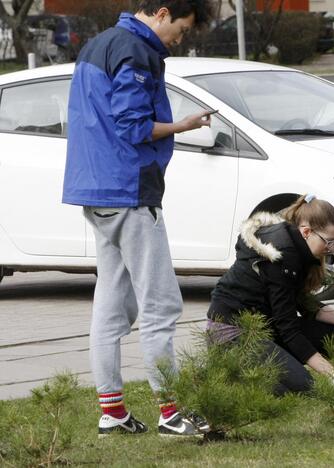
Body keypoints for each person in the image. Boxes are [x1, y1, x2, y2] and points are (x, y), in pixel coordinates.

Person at [62, 0, 215, 438]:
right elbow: (133, 127)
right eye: (182, 30)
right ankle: (171, 412)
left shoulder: (99, 44)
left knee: (112, 307)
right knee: (160, 304)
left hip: (96, 189)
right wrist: (183, 125)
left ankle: (113, 412)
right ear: (163, 13)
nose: (180, 40)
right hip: (128, 190)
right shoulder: (134, 50)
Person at [207, 195, 334, 392]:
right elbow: (288, 329)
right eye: (328, 241)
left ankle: (273, 364)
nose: (331, 248)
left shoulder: (296, 246)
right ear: (306, 232)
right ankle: (231, 370)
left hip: (266, 327)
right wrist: (333, 374)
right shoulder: (280, 255)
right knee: (301, 386)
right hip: (234, 334)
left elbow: (301, 301)